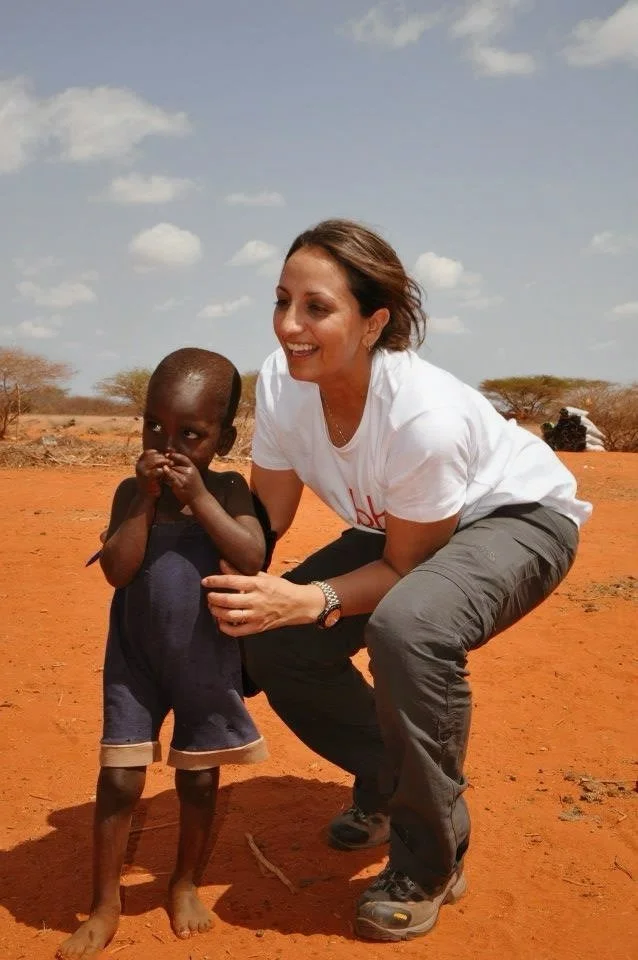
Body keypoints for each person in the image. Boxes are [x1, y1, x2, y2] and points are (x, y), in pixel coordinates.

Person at [201, 219, 592, 943]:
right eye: (282, 300)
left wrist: (312, 597)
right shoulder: (284, 383)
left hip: (514, 519)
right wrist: (192, 534)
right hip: (403, 530)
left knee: (410, 627)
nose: (291, 325)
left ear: (374, 320)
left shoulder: (424, 418)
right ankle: (396, 785)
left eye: (317, 308)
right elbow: (268, 522)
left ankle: (428, 859)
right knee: (276, 639)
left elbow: (408, 570)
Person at [58, 348, 268, 959]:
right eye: (155, 427)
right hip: (135, 663)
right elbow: (119, 572)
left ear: (223, 438)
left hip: (205, 662)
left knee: (198, 782)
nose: (168, 444)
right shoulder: (131, 492)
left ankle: (184, 883)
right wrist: (146, 502)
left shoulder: (228, 489)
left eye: (191, 434)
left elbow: (252, 558)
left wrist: (199, 497)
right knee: (119, 779)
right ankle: (104, 903)